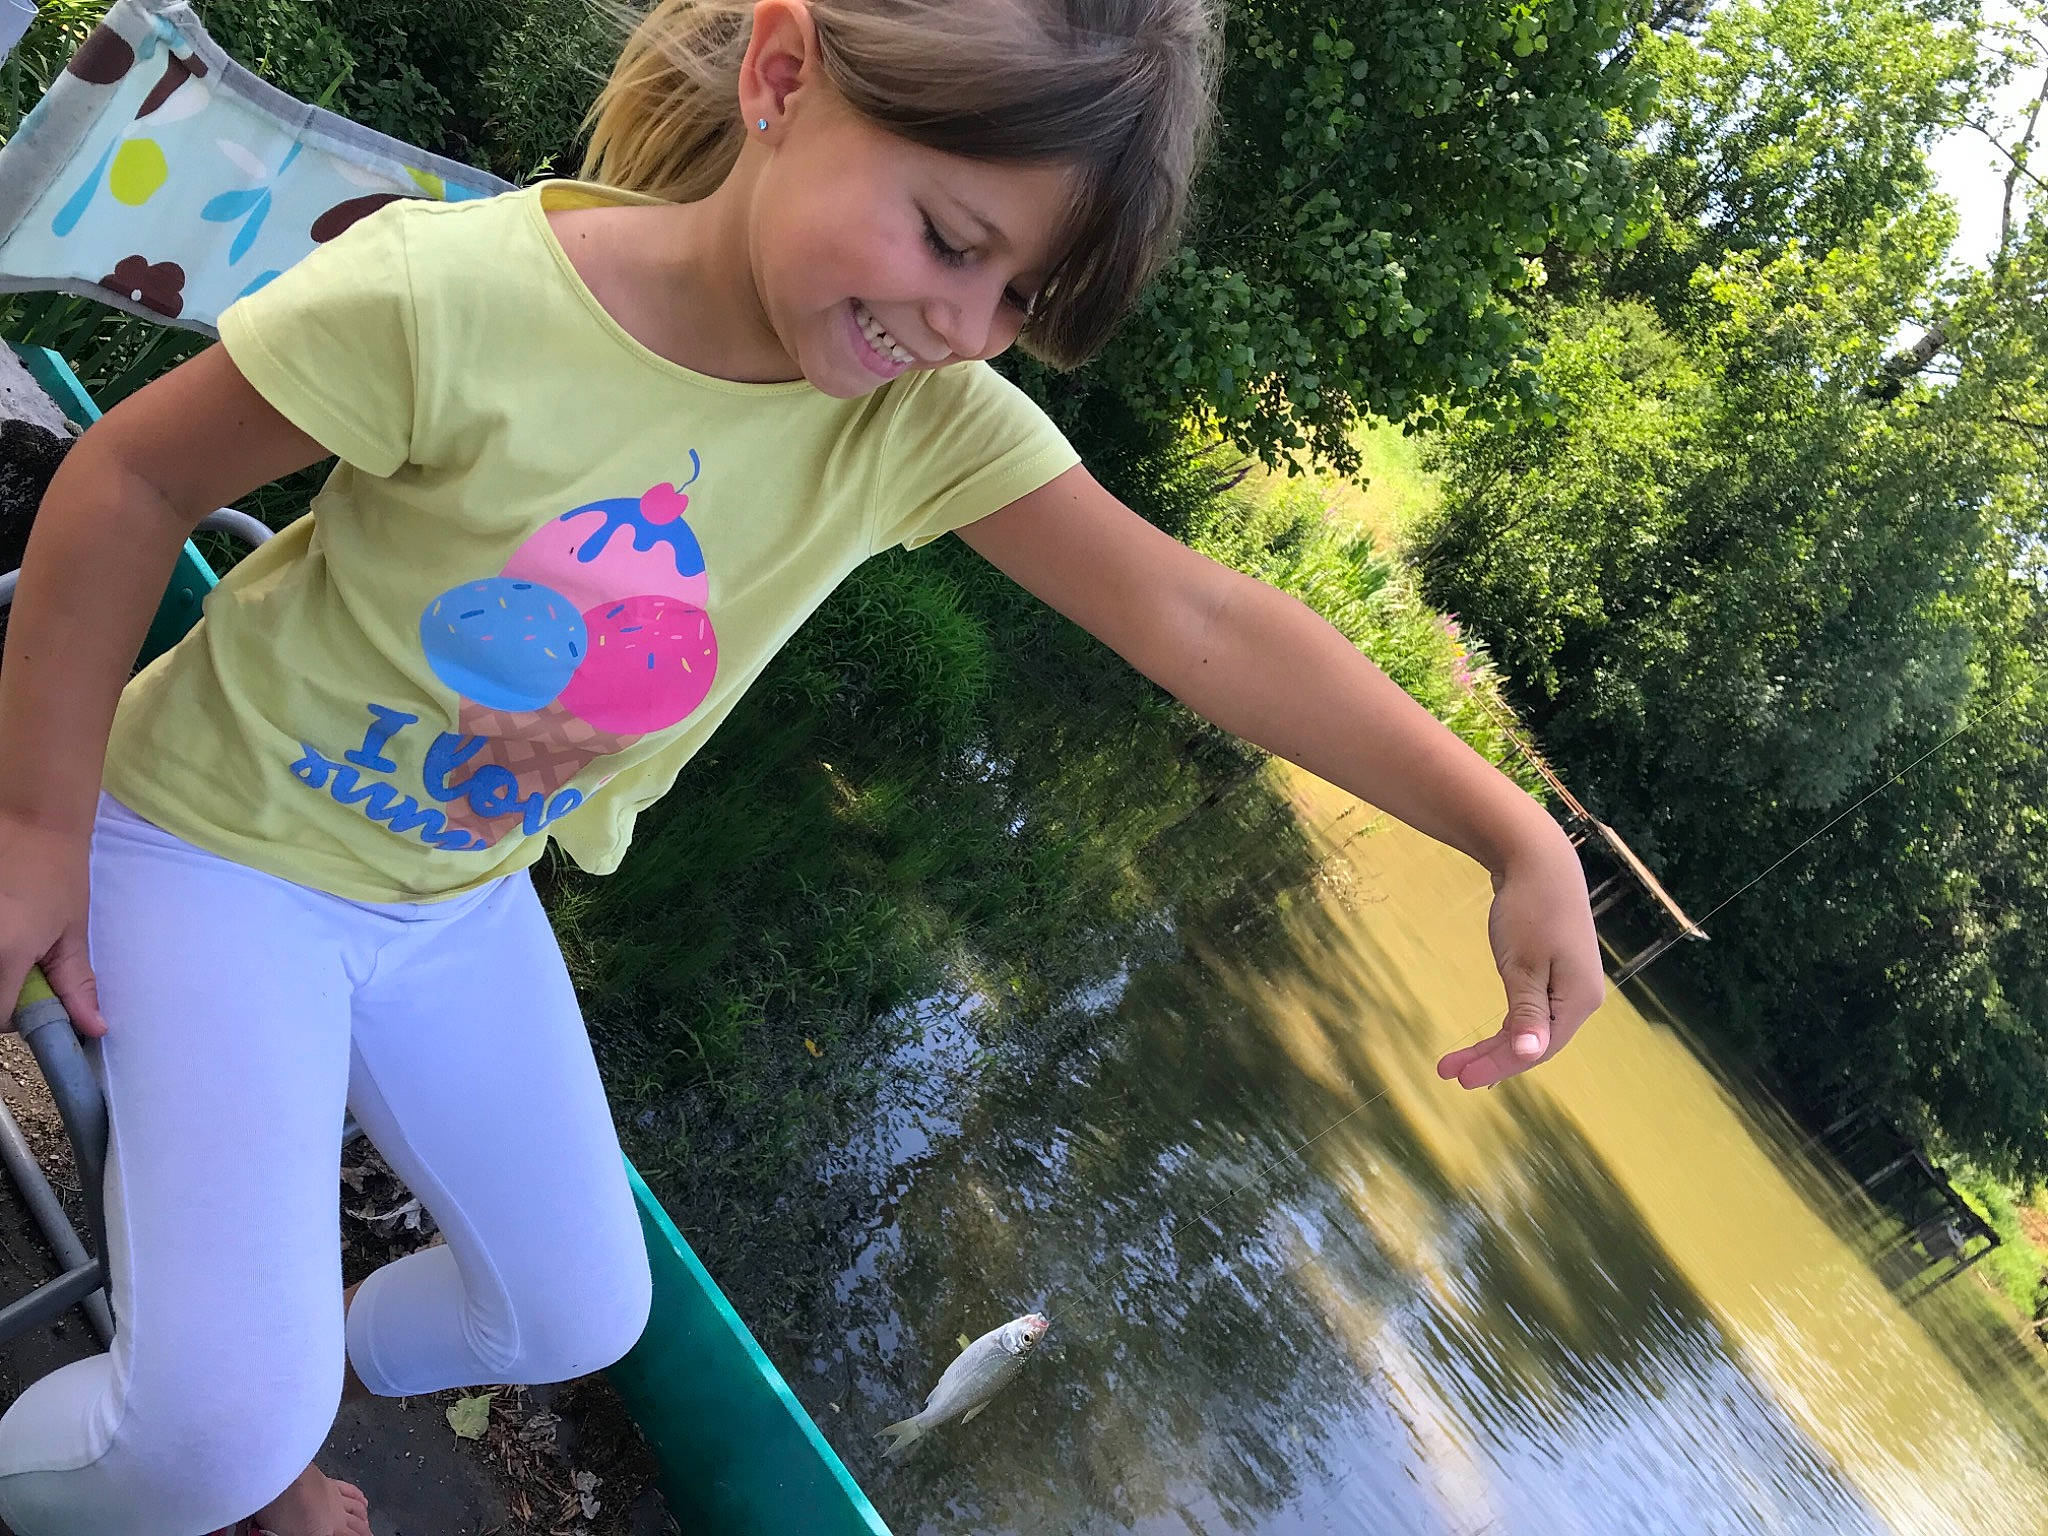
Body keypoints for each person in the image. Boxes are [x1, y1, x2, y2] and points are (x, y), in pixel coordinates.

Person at [0, 0, 1605, 1531]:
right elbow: (133, 478)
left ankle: (273, 1389)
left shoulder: (917, 419)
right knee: (206, 1432)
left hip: (449, 896)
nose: (964, 331)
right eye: (954, 244)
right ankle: (219, 1431)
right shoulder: (456, 296)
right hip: (215, 849)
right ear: (781, 81)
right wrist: (33, 825)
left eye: (1020, 302)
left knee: (572, 1303)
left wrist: (1507, 829)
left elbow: (1200, 616)